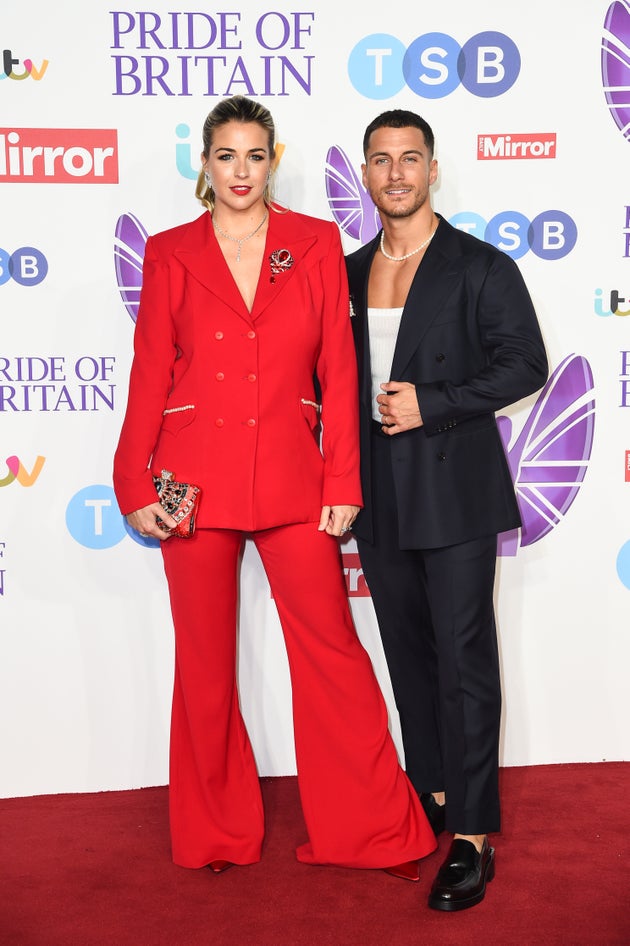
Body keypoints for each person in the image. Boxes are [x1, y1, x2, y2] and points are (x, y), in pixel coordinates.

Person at [113, 95, 436, 877]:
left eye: (255, 155)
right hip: (191, 479)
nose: (241, 171)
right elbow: (151, 370)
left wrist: (343, 477)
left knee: (332, 652)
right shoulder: (169, 251)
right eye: (226, 155)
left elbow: (339, 367)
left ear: (273, 160)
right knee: (204, 664)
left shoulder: (314, 242)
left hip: (295, 476)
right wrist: (131, 480)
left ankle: (369, 830)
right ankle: (216, 833)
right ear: (205, 163)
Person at [345, 109, 548, 911]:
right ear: (365, 173)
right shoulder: (348, 271)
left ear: (433, 169)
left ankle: (472, 834)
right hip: (377, 492)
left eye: (410, 158)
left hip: (453, 486)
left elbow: (524, 364)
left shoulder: (479, 266)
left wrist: (433, 401)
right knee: (408, 653)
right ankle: (430, 793)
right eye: (381, 159)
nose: (395, 173)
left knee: (465, 661)